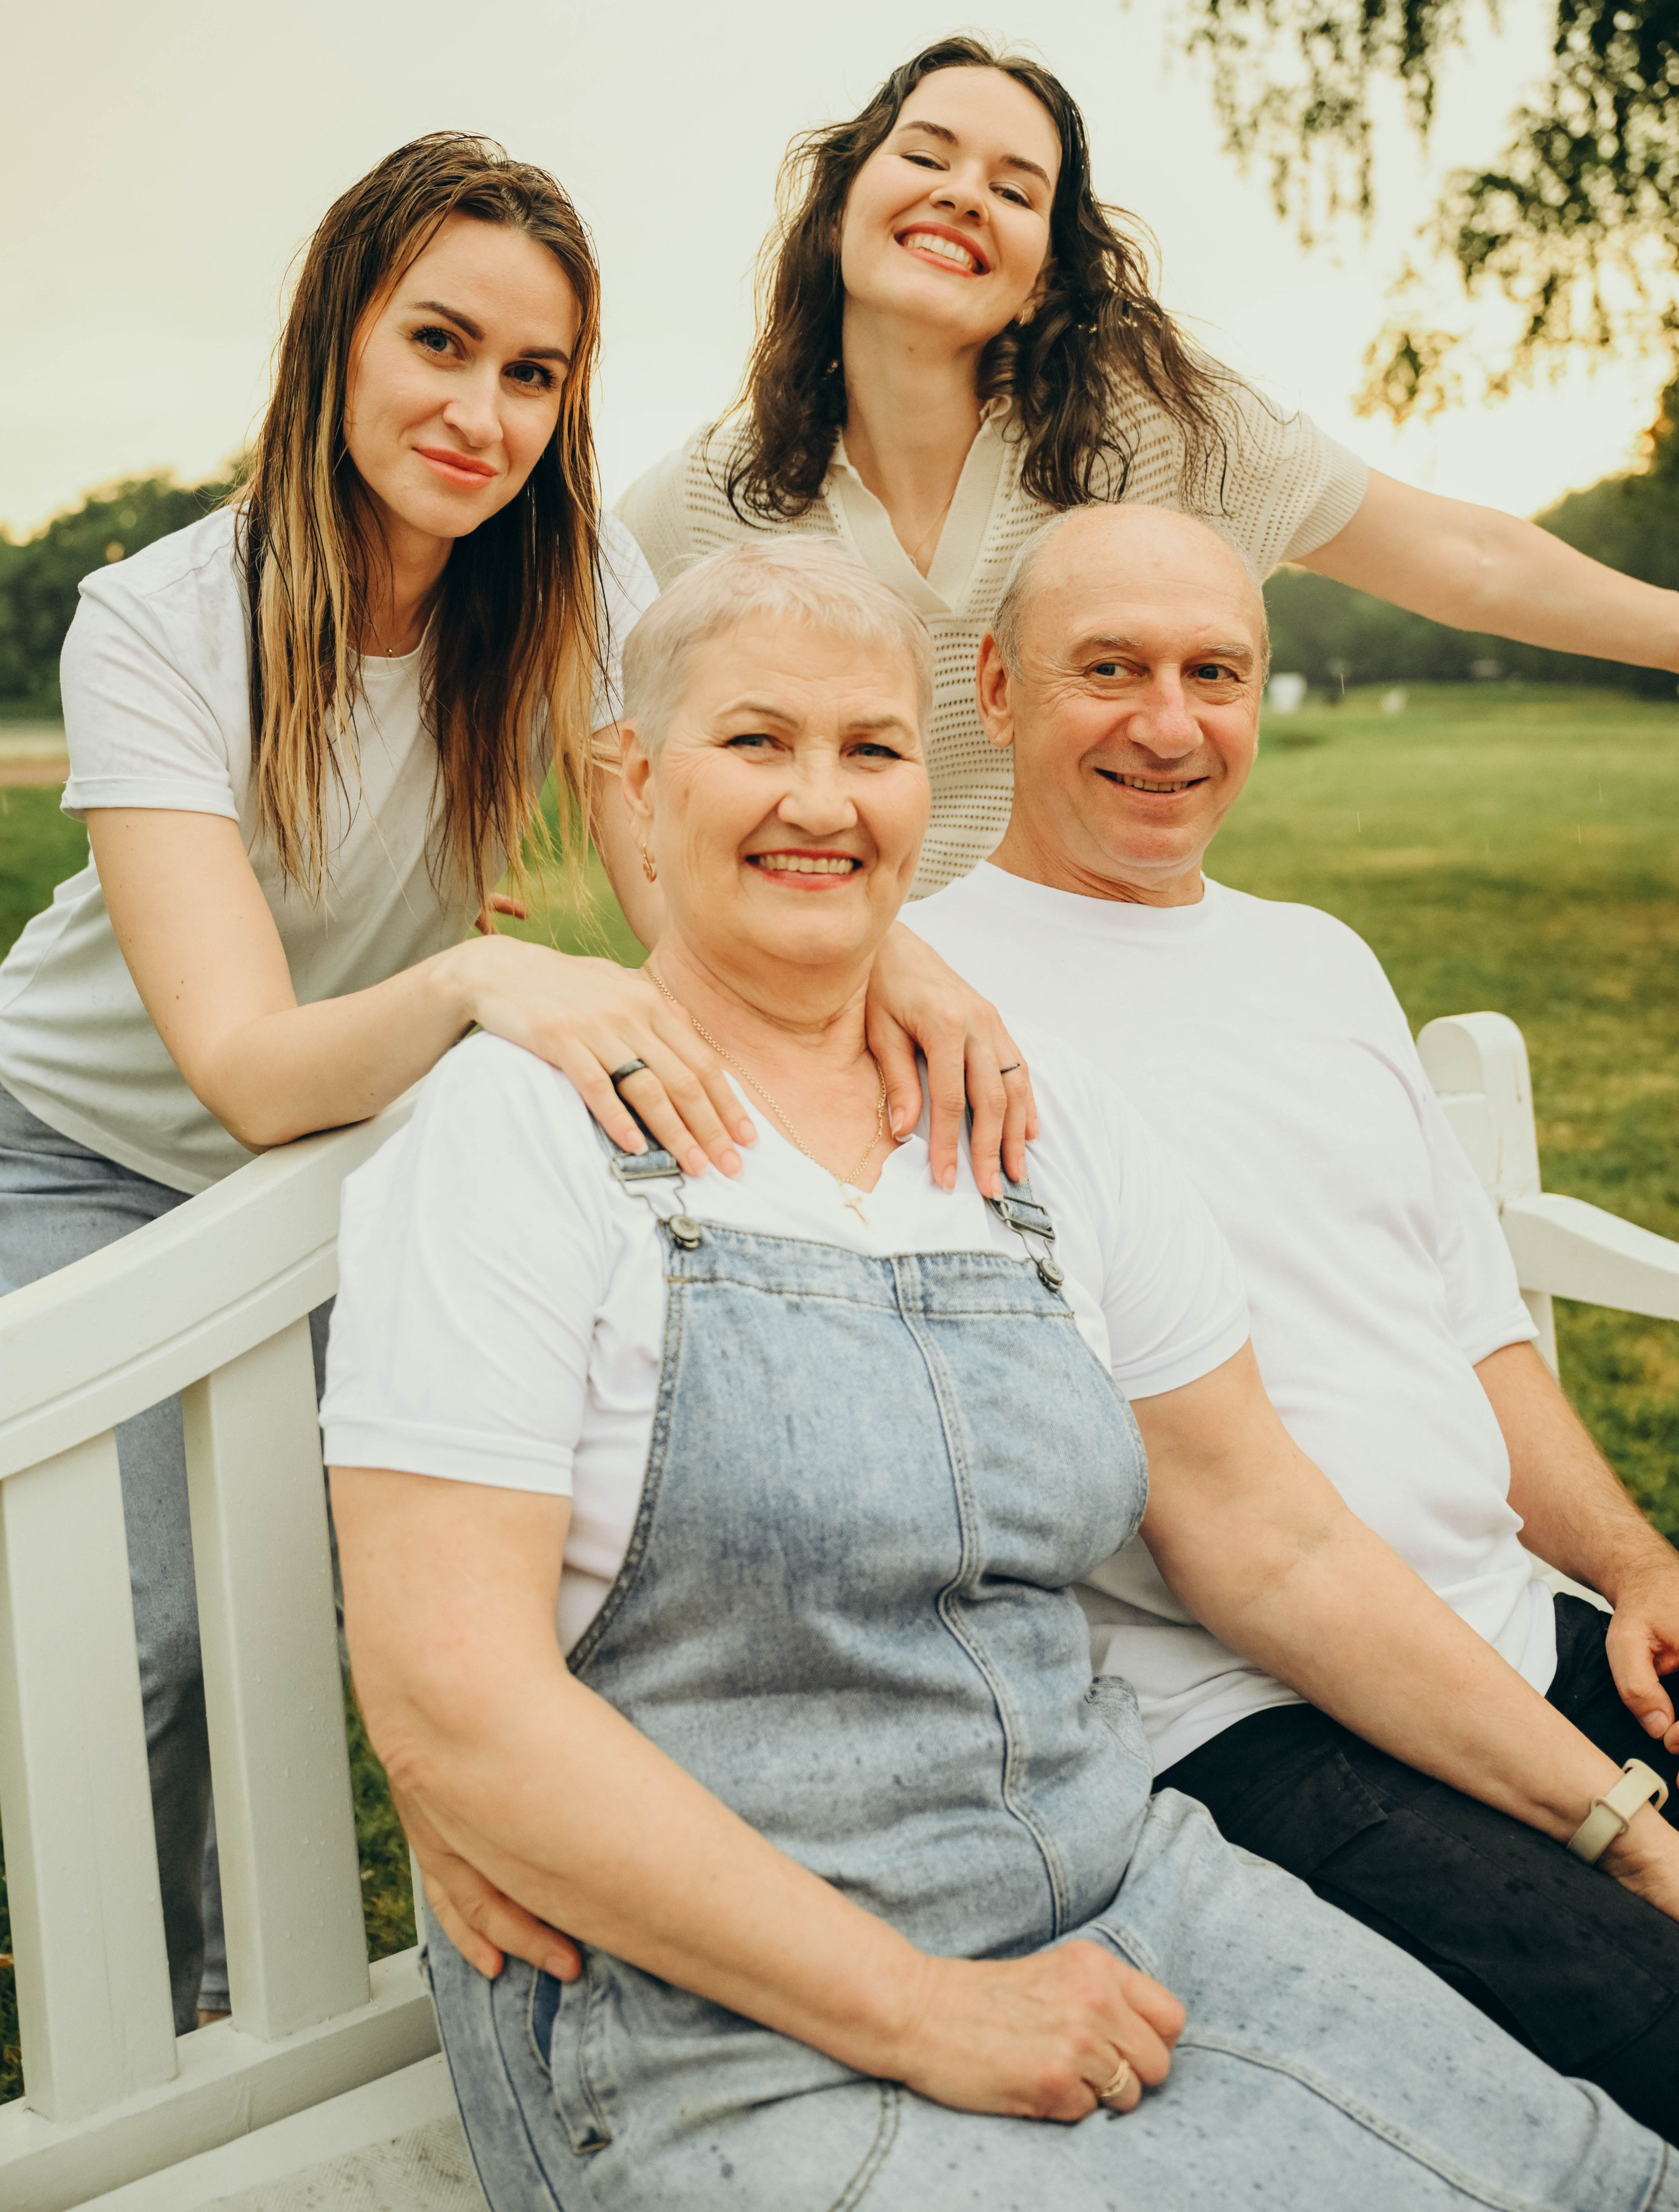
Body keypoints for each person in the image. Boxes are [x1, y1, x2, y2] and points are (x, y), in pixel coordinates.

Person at [326, 540, 1679, 2211]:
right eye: (755, 742)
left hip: (1120, 1892)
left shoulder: (1041, 1128)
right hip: (707, 2003)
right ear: (634, 778)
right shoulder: (512, 1138)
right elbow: (456, 1697)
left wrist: (1623, 1828)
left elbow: (1275, 1539)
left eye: (868, 751)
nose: (817, 801)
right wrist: (920, 2011)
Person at [0, 134, 1021, 2032]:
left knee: (389, 1595)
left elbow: (688, 894)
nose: (482, 416)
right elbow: (234, 1071)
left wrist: (908, 966)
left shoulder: (573, 579)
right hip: (76, 1156)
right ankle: (160, 2042)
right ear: (340, 339)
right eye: (441, 346)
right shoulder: (158, 617)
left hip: (361, 1138)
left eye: (534, 376)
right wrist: (481, 974)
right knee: (138, 1637)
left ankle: (397, 1968)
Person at [900, 500, 1679, 2133]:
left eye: (1215, 672)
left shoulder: (1317, 960)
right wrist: (1619, 1818)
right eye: (1107, 670)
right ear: (993, 688)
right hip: (1256, 1719)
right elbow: (1228, 1542)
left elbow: (1475, 1333)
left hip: (1523, 1631)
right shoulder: (925, 1000)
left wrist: (1628, 1568)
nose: (1168, 726)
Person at [617, 33, 1679, 898]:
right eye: (928, 157)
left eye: (1016, 190)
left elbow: (1467, 559)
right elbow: (589, 736)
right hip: (816, 1021)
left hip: (1096, 997)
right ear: (843, 202)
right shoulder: (705, 501)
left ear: (1040, 278)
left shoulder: (1157, 431)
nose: (964, 195)